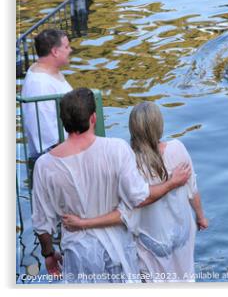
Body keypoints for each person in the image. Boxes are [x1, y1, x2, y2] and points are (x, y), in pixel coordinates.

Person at [32, 88, 192, 283]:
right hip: (119, 253)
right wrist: (171, 183)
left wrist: (49, 254)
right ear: (93, 118)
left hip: (79, 254)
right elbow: (139, 197)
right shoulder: (116, 149)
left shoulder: (44, 165)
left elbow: (42, 224)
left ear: (62, 121)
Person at [62, 101, 208, 283]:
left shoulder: (130, 164)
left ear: (132, 129)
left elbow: (123, 215)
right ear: (159, 126)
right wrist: (201, 217)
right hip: (182, 234)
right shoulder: (177, 148)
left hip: (152, 245)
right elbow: (192, 189)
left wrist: (83, 223)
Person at [22, 29, 73, 157]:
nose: (70, 50)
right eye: (66, 47)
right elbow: (47, 138)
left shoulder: (49, 70)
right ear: (55, 52)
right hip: (59, 158)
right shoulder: (40, 85)